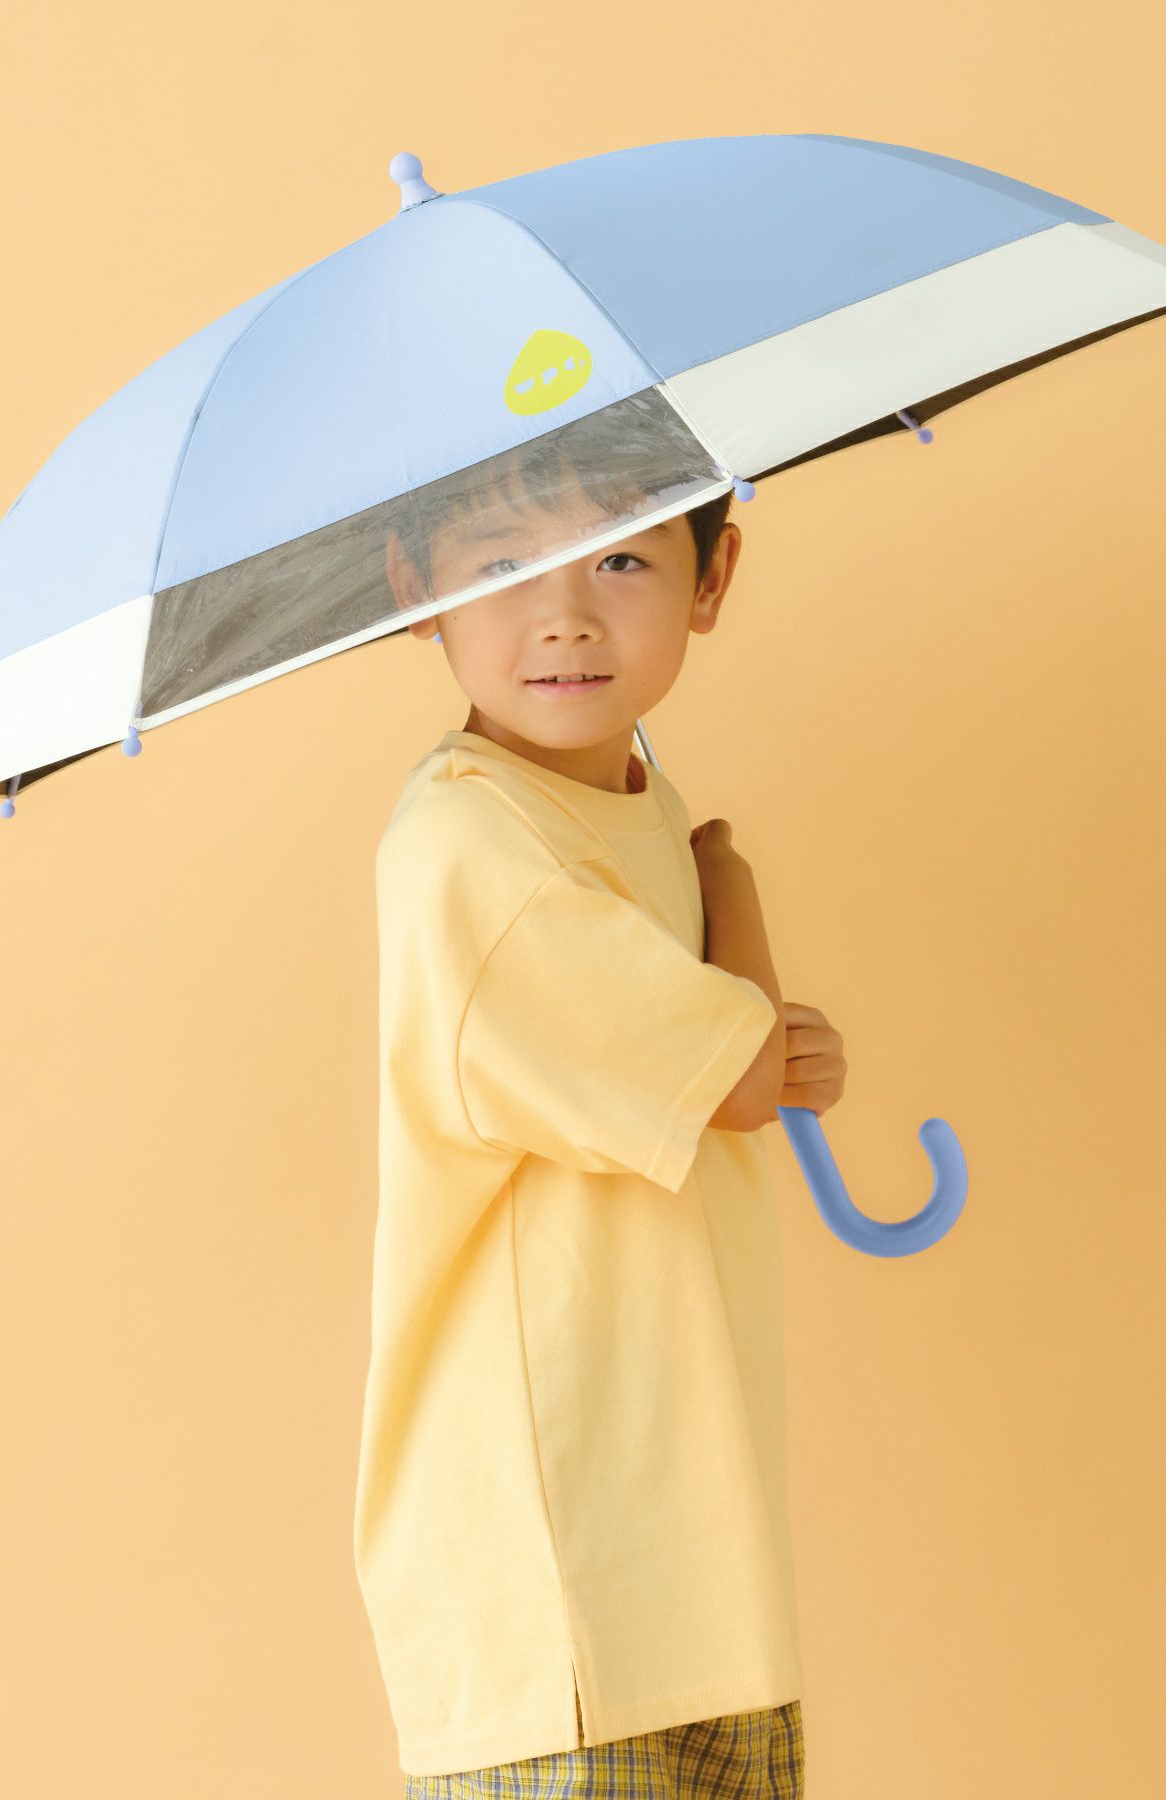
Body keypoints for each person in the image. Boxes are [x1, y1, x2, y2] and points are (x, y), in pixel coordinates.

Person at [353, 444, 846, 1798]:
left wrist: (753, 1024)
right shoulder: (471, 850)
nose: (565, 617)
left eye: (622, 557)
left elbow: (729, 1059)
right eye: (506, 566)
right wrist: (729, 880)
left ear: (712, 576)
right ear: (417, 588)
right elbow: (739, 1079)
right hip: (562, 1584)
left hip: (681, 1562)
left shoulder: (622, 801)